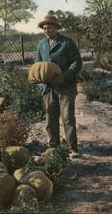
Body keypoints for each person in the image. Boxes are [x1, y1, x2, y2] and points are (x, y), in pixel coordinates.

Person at [35, 15, 82, 157]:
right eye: (44, 28)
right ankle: (53, 147)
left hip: (65, 86)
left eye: (49, 27)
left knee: (67, 118)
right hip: (48, 88)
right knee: (50, 119)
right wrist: (37, 77)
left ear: (56, 28)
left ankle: (72, 148)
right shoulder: (41, 45)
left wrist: (65, 76)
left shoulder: (66, 43)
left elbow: (77, 62)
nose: (46, 30)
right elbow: (38, 64)